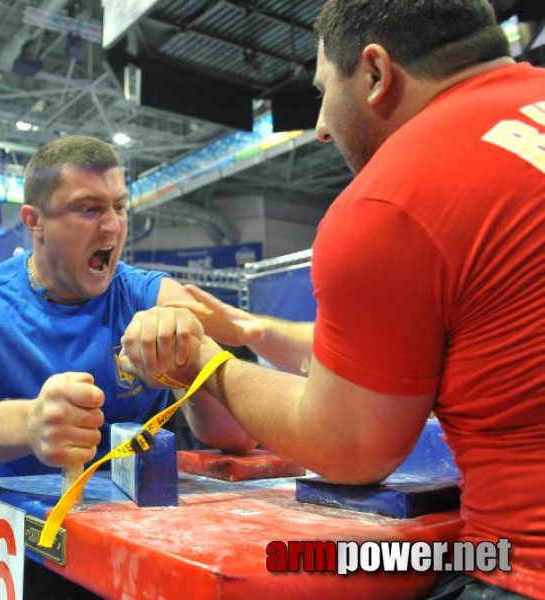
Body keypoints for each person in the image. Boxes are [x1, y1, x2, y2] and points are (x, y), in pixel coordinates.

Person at [120, 2, 545, 599]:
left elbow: (348, 448)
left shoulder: (393, 197)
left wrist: (206, 366)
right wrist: (251, 328)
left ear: (374, 73)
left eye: (324, 90)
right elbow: (399, 356)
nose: (320, 124)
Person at [0, 135, 254, 599]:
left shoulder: (150, 295)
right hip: (28, 548)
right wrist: (30, 423)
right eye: (89, 209)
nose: (113, 228)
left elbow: (235, 438)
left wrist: (191, 364)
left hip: (148, 548)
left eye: (120, 207)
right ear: (34, 222)